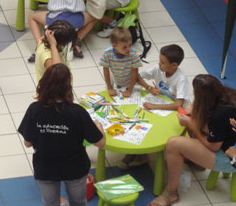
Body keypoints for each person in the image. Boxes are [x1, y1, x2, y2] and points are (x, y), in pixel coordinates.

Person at [18, 63, 105, 206]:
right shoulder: (77, 112)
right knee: (78, 202)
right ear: (67, 86)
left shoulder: (34, 110)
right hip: (74, 167)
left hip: (46, 167)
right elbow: (101, 143)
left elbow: (28, 143)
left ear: (44, 83)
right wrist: (99, 127)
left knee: (51, 203)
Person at [149, 74, 236, 206]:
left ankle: (171, 193)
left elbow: (214, 147)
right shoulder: (227, 94)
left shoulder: (220, 114)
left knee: (173, 144)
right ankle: (197, 162)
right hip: (228, 141)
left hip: (229, 158)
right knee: (191, 112)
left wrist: (191, 125)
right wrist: (192, 112)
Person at [139, 44, 193, 110]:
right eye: (160, 61)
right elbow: (138, 76)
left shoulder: (181, 79)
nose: (159, 64)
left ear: (174, 65)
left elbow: (178, 105)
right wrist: (149, 88)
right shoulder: (158, 68)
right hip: (162, 100)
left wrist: (154, 106)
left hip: (177, 108)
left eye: (162, 63)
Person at [100, 27, 142, 99]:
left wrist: (130, 90)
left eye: (130, 45)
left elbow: (135, 74)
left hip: (131, 83)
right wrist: (109, 88)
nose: (128, 49)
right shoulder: (107, 53)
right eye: (124, 47)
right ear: (114, 46)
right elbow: (105, 70)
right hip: (115, 81)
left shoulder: (134, 54)